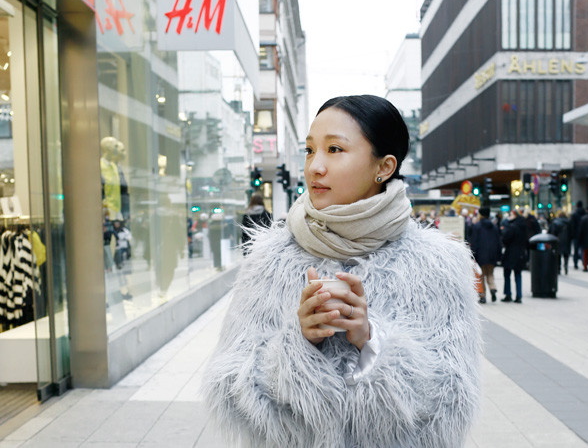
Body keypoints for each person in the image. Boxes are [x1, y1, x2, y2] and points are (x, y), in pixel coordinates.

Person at [203, 95, 482, 447]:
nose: (315, 166)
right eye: (309, 150)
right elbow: (229, 391)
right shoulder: (269, 258)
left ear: (384, 167)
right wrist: (300, 343)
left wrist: (371, 341)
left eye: (334, 149)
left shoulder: (438, 264)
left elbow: (451, 404)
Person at [470, 206, 501, 303]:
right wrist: (498, 255)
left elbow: (474, 242)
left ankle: (482, 296)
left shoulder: (477, 226)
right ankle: (493, 288)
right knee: (490, 274)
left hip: (481, 255)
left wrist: (472, 254)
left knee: (482, 275)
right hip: (492, 255)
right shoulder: (494, 226)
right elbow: (498, 242)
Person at [501, 208, 529, 303]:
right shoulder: (523, 226)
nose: (509, 217)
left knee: (507, 274)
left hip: (510, 253)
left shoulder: (512, 226)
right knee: (518, 274)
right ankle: (519, 296)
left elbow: (505, 239)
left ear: (515, 215)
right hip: (520, 253)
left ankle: (508, 294)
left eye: (511, 215)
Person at [570, 200, 586, 269]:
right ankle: (584, 262)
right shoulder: (585, 214)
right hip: (584, 235)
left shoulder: (574, 214)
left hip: (576, 235)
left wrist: (572, 235)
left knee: (576, 250)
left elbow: (572, 225)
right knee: (583, 249)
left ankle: (575, 263)